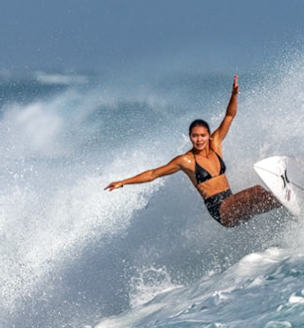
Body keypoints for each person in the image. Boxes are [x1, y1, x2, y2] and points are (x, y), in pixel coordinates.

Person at [105, 76, 284, 227]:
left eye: (202, 136)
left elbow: (229, 116)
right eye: (194, 136)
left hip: (233, 205)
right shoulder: (186, 161)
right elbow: (153, 174)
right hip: (221, 210)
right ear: (190, 137)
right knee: (257, 191)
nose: (198, 139)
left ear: (208, 136)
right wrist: (124, 182)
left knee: (263, 201)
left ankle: (289, 208)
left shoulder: (216, 146)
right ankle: (285, 202)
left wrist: (234, 95)